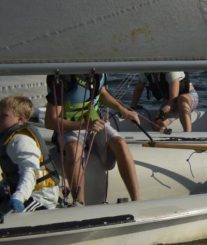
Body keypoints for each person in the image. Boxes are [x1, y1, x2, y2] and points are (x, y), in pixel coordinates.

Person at [45, 73, 142, 204]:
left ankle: (137, 201)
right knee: (74, 150)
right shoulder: (62, 79)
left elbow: (102, 92)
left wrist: (123, 110)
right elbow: (50, 121)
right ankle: (79, 203)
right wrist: (85, 125)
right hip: (69, 126)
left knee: (121, 143)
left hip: (95, 123)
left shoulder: (98, 72)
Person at [0, 96, 60, 216]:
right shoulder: (7, 137)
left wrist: (19, 197)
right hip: (15, 192)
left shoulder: (22, 140)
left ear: (20, 119)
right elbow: (14, 171)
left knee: (0, 217)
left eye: (4, 116)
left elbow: (29, 171)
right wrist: (5, 185)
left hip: (39, 197)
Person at [131, 71, 198, 132]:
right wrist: (132, 107)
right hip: (170, 102)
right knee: (156, 125)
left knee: (181, 100)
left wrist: (161, 113)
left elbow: (173, 98)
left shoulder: (171, 71)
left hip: (186, 98)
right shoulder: (146, 72)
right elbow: (139, 89)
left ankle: (188, 134)